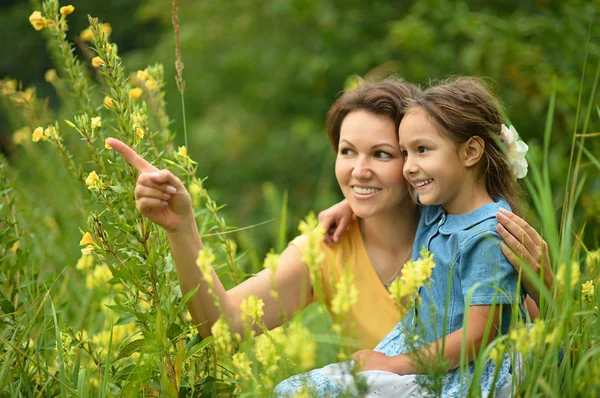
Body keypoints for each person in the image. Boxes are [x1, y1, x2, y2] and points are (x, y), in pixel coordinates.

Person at [106, 76, 550, 393]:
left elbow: (539, 345)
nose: (359, 170)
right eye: (346, 152)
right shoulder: (329, 248)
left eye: (383, 153)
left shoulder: (463, 225)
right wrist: (183, 229)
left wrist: (544, 285)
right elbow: (222, 325)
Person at [274, 77, 541, 397]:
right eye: (403, 153)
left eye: (422, 150)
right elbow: (390, 194)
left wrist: (393, 365)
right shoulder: (440, 207)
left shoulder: (487, 235)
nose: (409, 167)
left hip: (458, 371)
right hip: (417, 353)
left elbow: (478, 334)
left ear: (470, 151)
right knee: (294, 390)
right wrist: (351, 204)